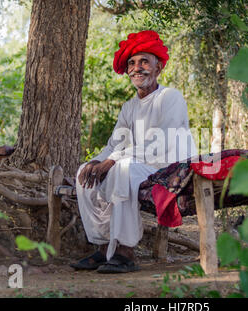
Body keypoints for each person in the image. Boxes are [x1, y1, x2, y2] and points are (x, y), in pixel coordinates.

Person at [71, 30, 197, 273]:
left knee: (122, 170)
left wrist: (113, 161)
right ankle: (103, 247)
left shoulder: (170, 97)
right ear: (127, 70)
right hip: (138, 163)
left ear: (158, 68)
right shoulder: (129, 107)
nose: (137, 68)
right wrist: (97, 161)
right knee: (83, 174)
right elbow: (115, 143)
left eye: (144, 62)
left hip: (170, 165)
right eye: (132, 63)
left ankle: (125, 252)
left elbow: (162, 144)